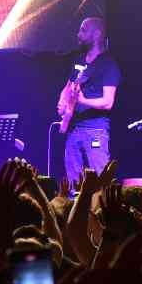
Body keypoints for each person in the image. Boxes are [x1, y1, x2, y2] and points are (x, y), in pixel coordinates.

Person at [59, 16, 120, 185]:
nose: (78, 34)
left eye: (83, 30)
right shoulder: (79, 61)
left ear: (97, 34)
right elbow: (68, 85)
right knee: (73, 183)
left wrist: (83, 100)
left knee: (101, 181)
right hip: (74, 128)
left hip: (95, 129)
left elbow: (108, 102)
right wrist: (62, 101)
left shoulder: (108, 65)